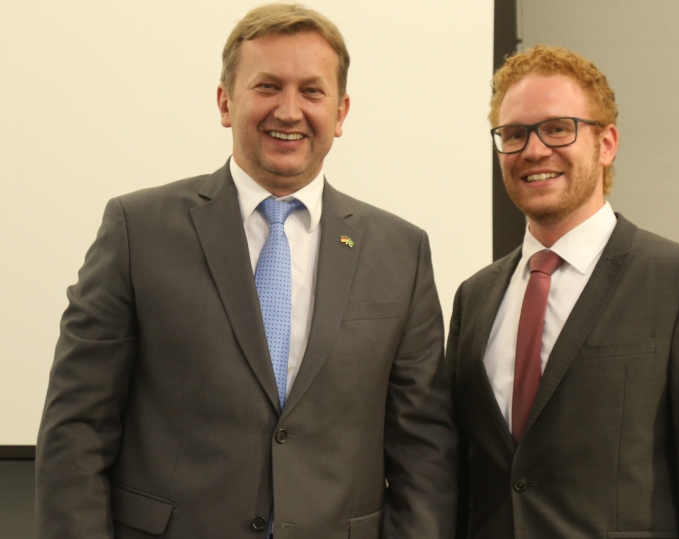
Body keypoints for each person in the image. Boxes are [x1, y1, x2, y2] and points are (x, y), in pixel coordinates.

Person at [36, 4, 457, 538]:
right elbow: (77, 429)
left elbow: (424, 452)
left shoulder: (401, 251)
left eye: (312, 91)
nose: (289, 111)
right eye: (267, 87)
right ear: (224, 101)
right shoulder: (136, 230)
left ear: (341, 112)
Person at [447, 44, 679, 539]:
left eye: (557, 128)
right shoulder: (475, 298)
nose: (533, 150)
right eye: (514, 134)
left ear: (606, 143)